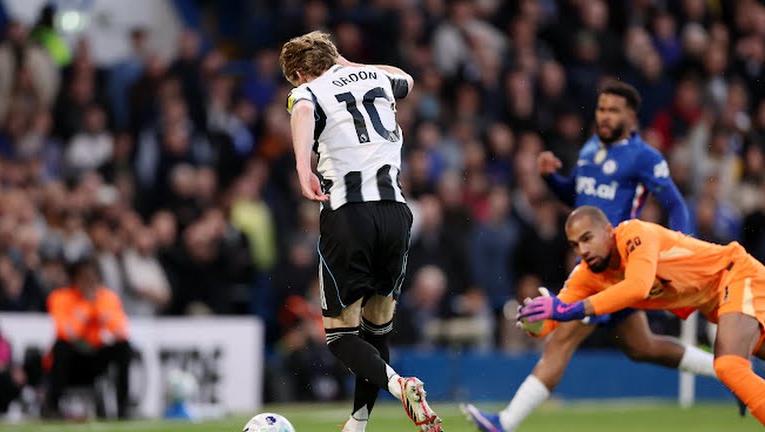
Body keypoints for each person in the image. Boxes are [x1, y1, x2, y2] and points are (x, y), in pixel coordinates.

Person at [463, 81, 719, 432]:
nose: (604, 116)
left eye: (613, 110)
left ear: (631, 116)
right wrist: (552, 179)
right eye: (601, 108)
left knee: (561, 341)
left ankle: (503, 423)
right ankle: (727, 368)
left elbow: (675, 203)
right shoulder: (588, 151)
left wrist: (678, 248)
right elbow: (578, 200)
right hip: (593, 265)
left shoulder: (643, 157)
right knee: (642, 347)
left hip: (616, 266)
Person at [279, 31, 442, 432]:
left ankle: (398, 383)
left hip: (349, 215)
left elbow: (301, 110)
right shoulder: (376, 78)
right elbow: (407, 78)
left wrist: (303, 165)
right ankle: (358, 422)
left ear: (299, 73)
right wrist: (348, 66)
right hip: (397, 215)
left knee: (340, 336)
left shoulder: (308, 91)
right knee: (377, 325)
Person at [518, 205, 765, 425]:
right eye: (575, 245)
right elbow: (551, 321)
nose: (583, 249)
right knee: (731, 367)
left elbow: (637, 287)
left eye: (587, 238)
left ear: (608, 230)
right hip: (718, 303)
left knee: (728, 364)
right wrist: (534, 321)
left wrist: (568, 310)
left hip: (736, 274)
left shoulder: (635, 235)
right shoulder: (586, 275)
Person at [43, 257, 131, 419]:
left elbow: (121, 332)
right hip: (71, 360)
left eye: (93, 277)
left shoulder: (108, 298)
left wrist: (102, 316)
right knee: (61, 347)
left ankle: (123, 408)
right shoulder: (60, 298)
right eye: (84, 277)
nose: (89, 282)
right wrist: (87, 308)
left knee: (123, 347)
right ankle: (53, 406)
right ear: (75, 279)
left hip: (95, 358)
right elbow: (66, 333)